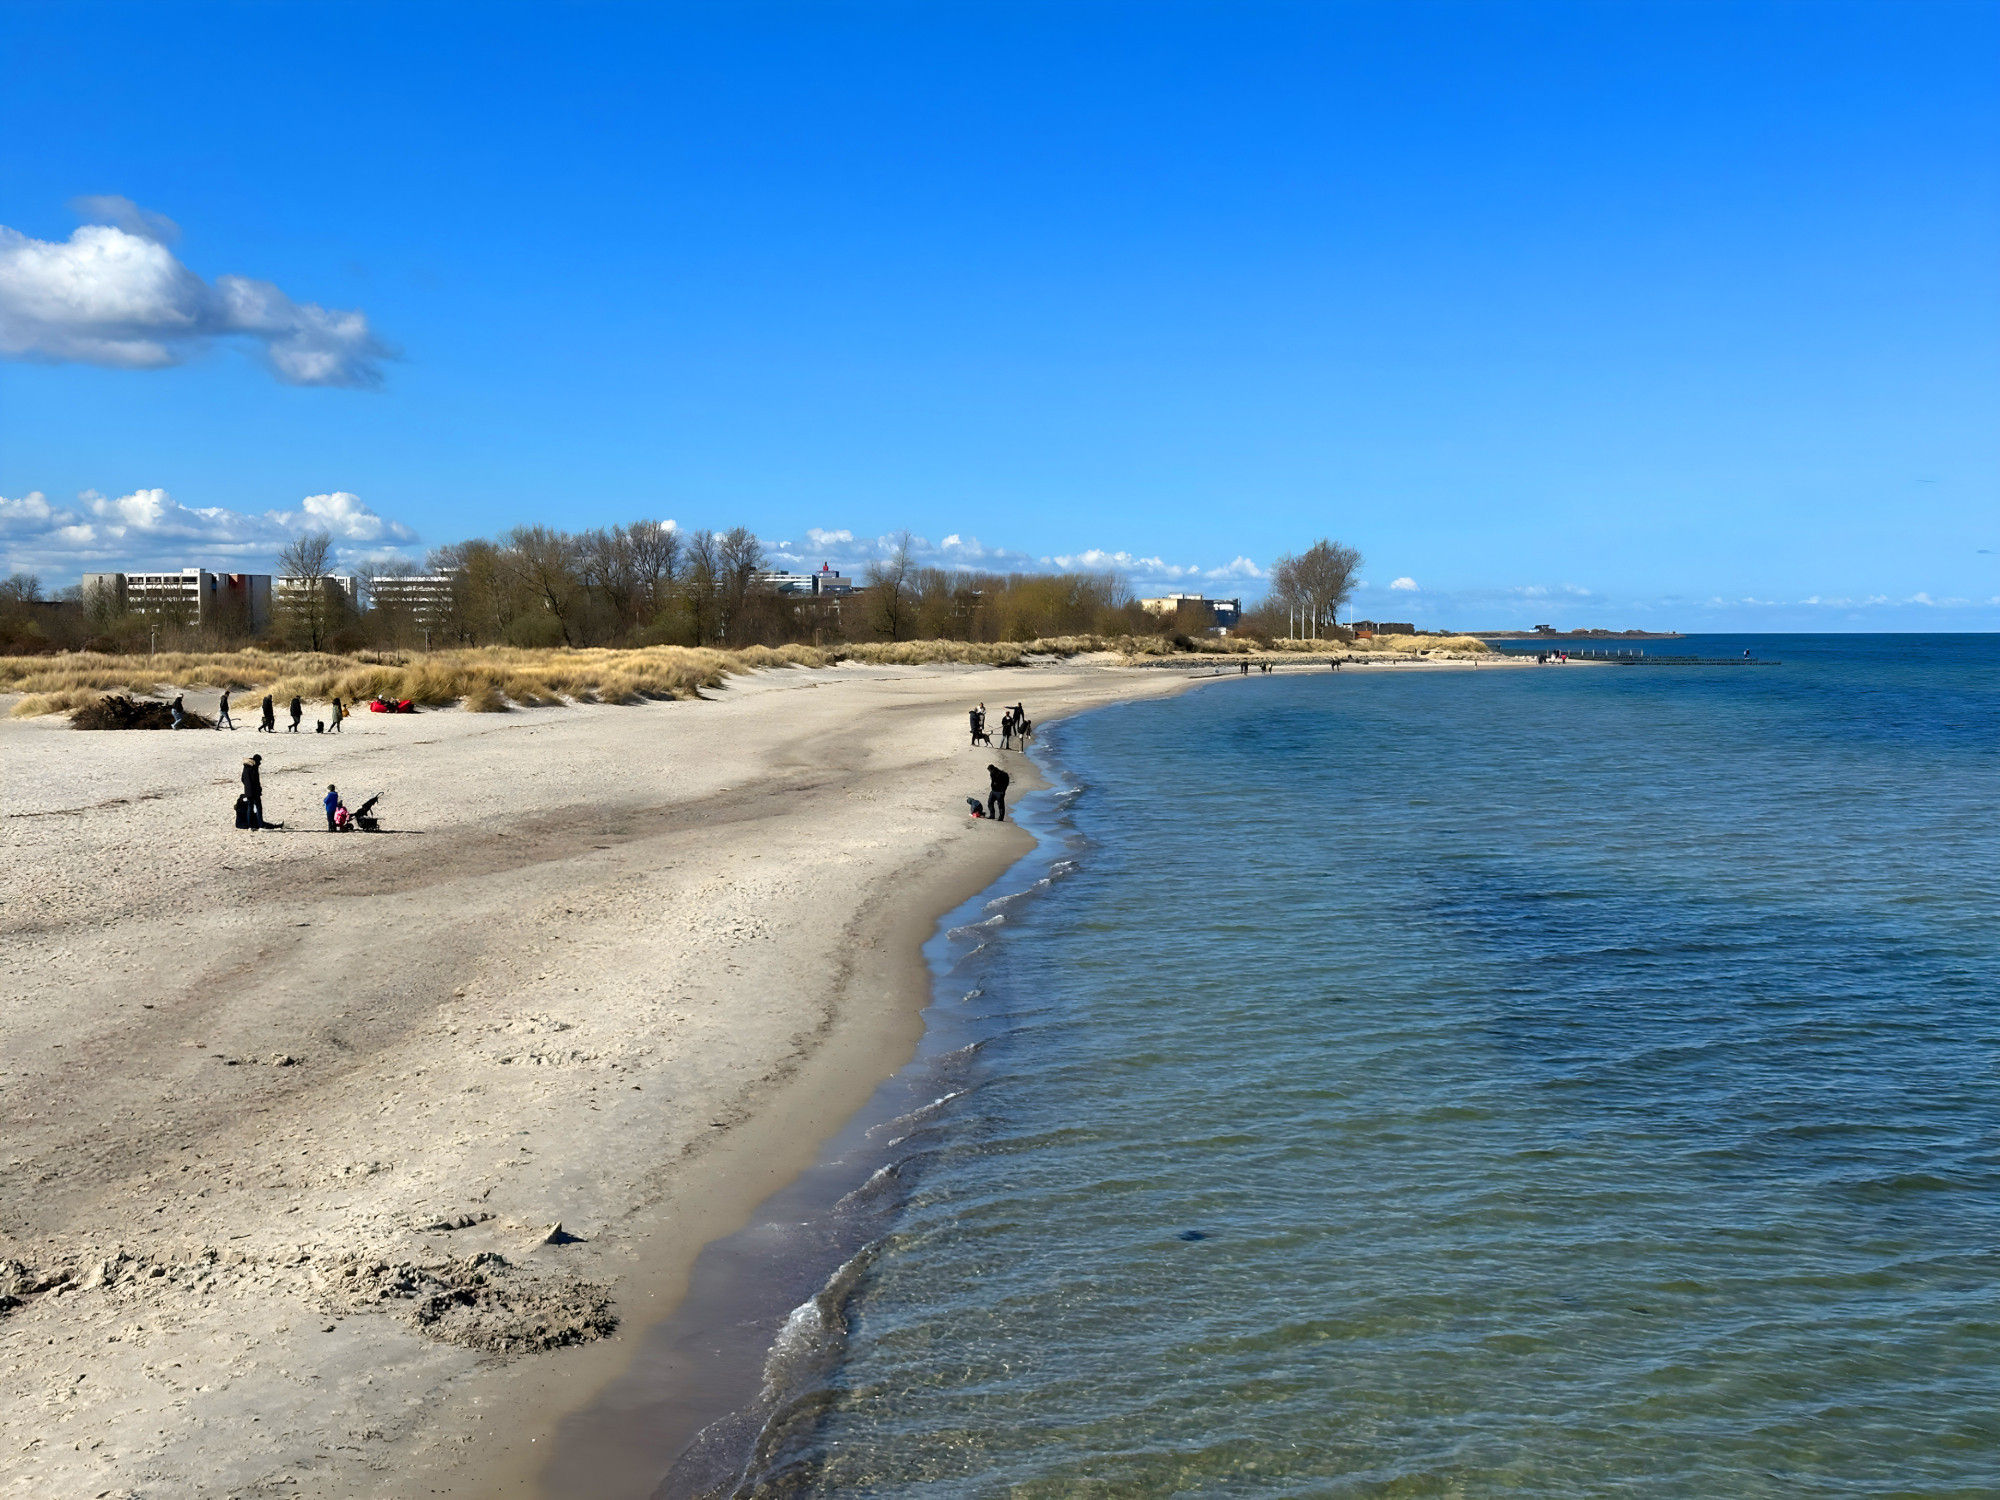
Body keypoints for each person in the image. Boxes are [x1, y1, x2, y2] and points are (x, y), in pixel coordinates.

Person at [242, 755, 264, 828]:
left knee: (249, 808)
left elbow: (243, 779)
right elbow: (256, 781)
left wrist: (247, 787)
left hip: (248, 791)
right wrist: (259, 789)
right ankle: (261, 825)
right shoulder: (254, 767)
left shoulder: (245, 767)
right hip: (255, 791)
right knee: (258, 808)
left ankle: (250, 826)